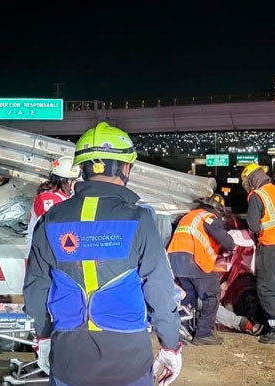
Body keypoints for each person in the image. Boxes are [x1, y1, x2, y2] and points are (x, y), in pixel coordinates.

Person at [23, 122, 182, 386]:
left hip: (68, 356)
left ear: (82, 168)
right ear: (125, 168)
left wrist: (43, 337)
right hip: (128, 360)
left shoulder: (50, 219)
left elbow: (36, 289)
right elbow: (160, 290)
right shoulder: (139, 219)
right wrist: (170, 346)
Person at [167, 193, 237, 345]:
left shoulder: (189, 216)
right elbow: (225, 240)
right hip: (192, 261)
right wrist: (232, 245)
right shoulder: (208, 217)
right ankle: (203, 333)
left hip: (175, 260)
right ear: (218, 210)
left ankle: (185, 329)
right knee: (212, 293)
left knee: (188, 296)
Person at [240, 162, 275, 344]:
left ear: (251, 181)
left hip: (270, 247)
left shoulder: (257, 196)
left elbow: (253, 226)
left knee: (267, 288)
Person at [26, 156, 80, 256]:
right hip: (43, 254)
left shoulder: (63, 197)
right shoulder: (49, 198)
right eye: (76, 181)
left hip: (51, 252)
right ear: (69, 181)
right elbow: (52, 230)